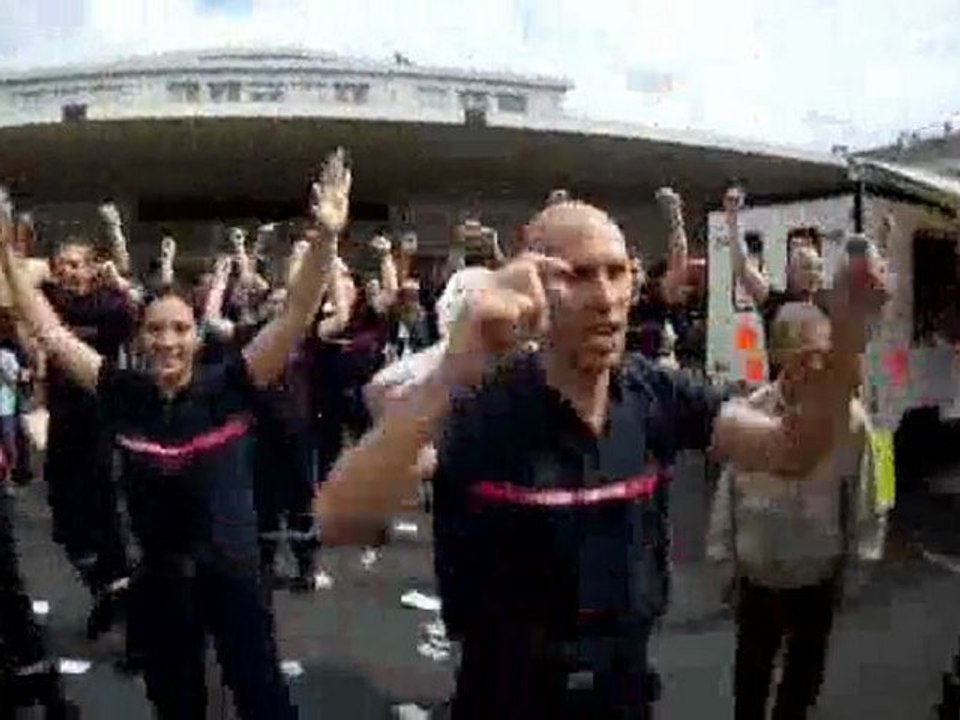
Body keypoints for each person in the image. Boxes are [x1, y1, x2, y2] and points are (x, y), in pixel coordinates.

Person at [316, 199, 884, 719]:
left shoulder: (654, 394)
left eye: (617, 272)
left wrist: (850, 339)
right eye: (579, 275)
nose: (607, 296)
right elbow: (341, 520)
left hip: (623, 693)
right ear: (530, 285)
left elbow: (791, 450)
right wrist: (454, 368)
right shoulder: (478, 407)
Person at [0, 148, 350, 720]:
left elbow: (295, 318)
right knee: (177, 703)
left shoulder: (231, 383)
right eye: (156, 331)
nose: (167, 341)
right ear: (139, 339)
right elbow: (50, 332)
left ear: (196, 336)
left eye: (180, 329)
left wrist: (328, 238)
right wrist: (9, 261)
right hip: (163, 589)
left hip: (237, 582)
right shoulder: (124, 393)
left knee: (262, 698)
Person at [707, 302, 887, 720]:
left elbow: (869, 500)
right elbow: (725, 497)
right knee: (749, 686)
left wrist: (856, 572)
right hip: (757, 580)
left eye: (823, 354)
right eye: (806, 355)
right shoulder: (750, 413)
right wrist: (724, 568)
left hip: (815, 581)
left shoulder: (853, 421)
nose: (817, 365)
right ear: (780, 356)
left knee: (800, 689)